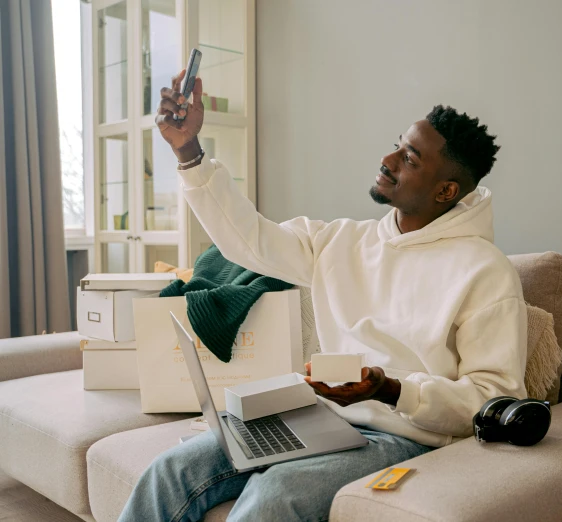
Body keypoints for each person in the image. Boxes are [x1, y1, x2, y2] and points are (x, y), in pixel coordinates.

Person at [118, 70, 528, 522]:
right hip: (314, 415)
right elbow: (248, 241)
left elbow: (495, 399)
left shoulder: (485, 271)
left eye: (410, 158)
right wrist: (188, 150)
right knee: (170, 470)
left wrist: (392, 389)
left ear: (446, 191)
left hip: (405, 438)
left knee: (273, 496)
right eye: (398, 144)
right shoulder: (341, 241)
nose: (388, 159)